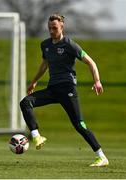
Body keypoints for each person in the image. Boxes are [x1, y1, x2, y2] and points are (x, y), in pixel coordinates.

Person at [20, 13, 109, 167]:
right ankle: (36, 136)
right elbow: (45, 64)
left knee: (79, 125)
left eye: (54, 27)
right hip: (53, 89)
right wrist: (34, 81)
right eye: (49, 28)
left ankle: (102, 157)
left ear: (62, 27)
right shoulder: (45, 45)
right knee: (25, 102)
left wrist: (97, 81)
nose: (51, 30)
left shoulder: (70, 45)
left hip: (68, 89)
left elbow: (90, 62)